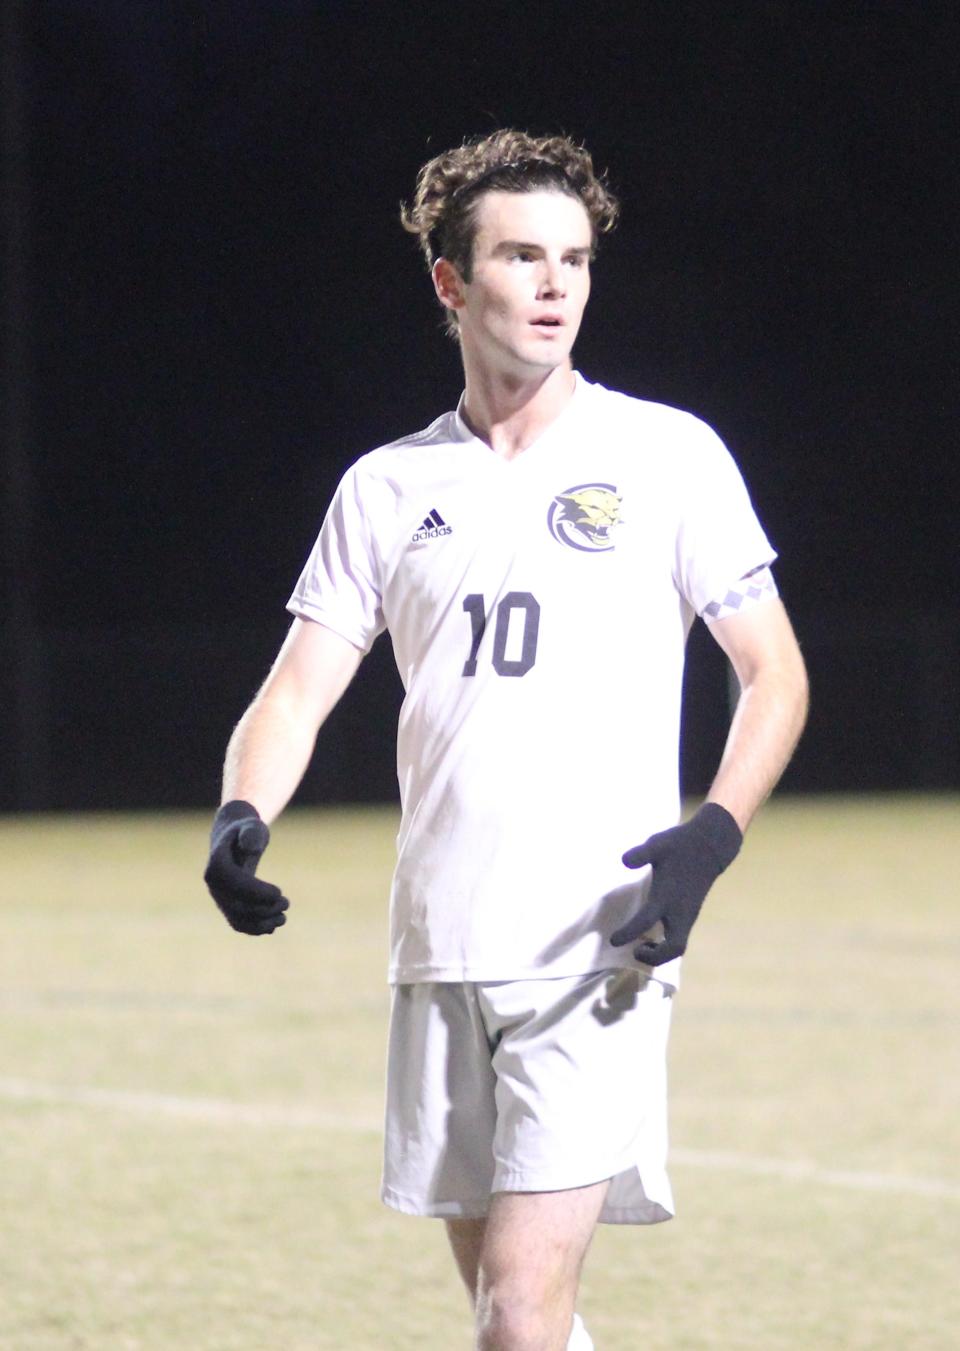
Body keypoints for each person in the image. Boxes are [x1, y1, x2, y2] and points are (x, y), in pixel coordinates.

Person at [204, 129, 809, 1351]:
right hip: (438, 942)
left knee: (516, 1318)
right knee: (526, 1316)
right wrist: (240, 814)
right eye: (522, 256)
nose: (554, 286)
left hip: (601, 935)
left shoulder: (666, 455)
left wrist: (710, 838)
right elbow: (298, 690)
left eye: (574, 259)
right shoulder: (386, 487)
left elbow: (774, 674)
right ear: (449, 282)